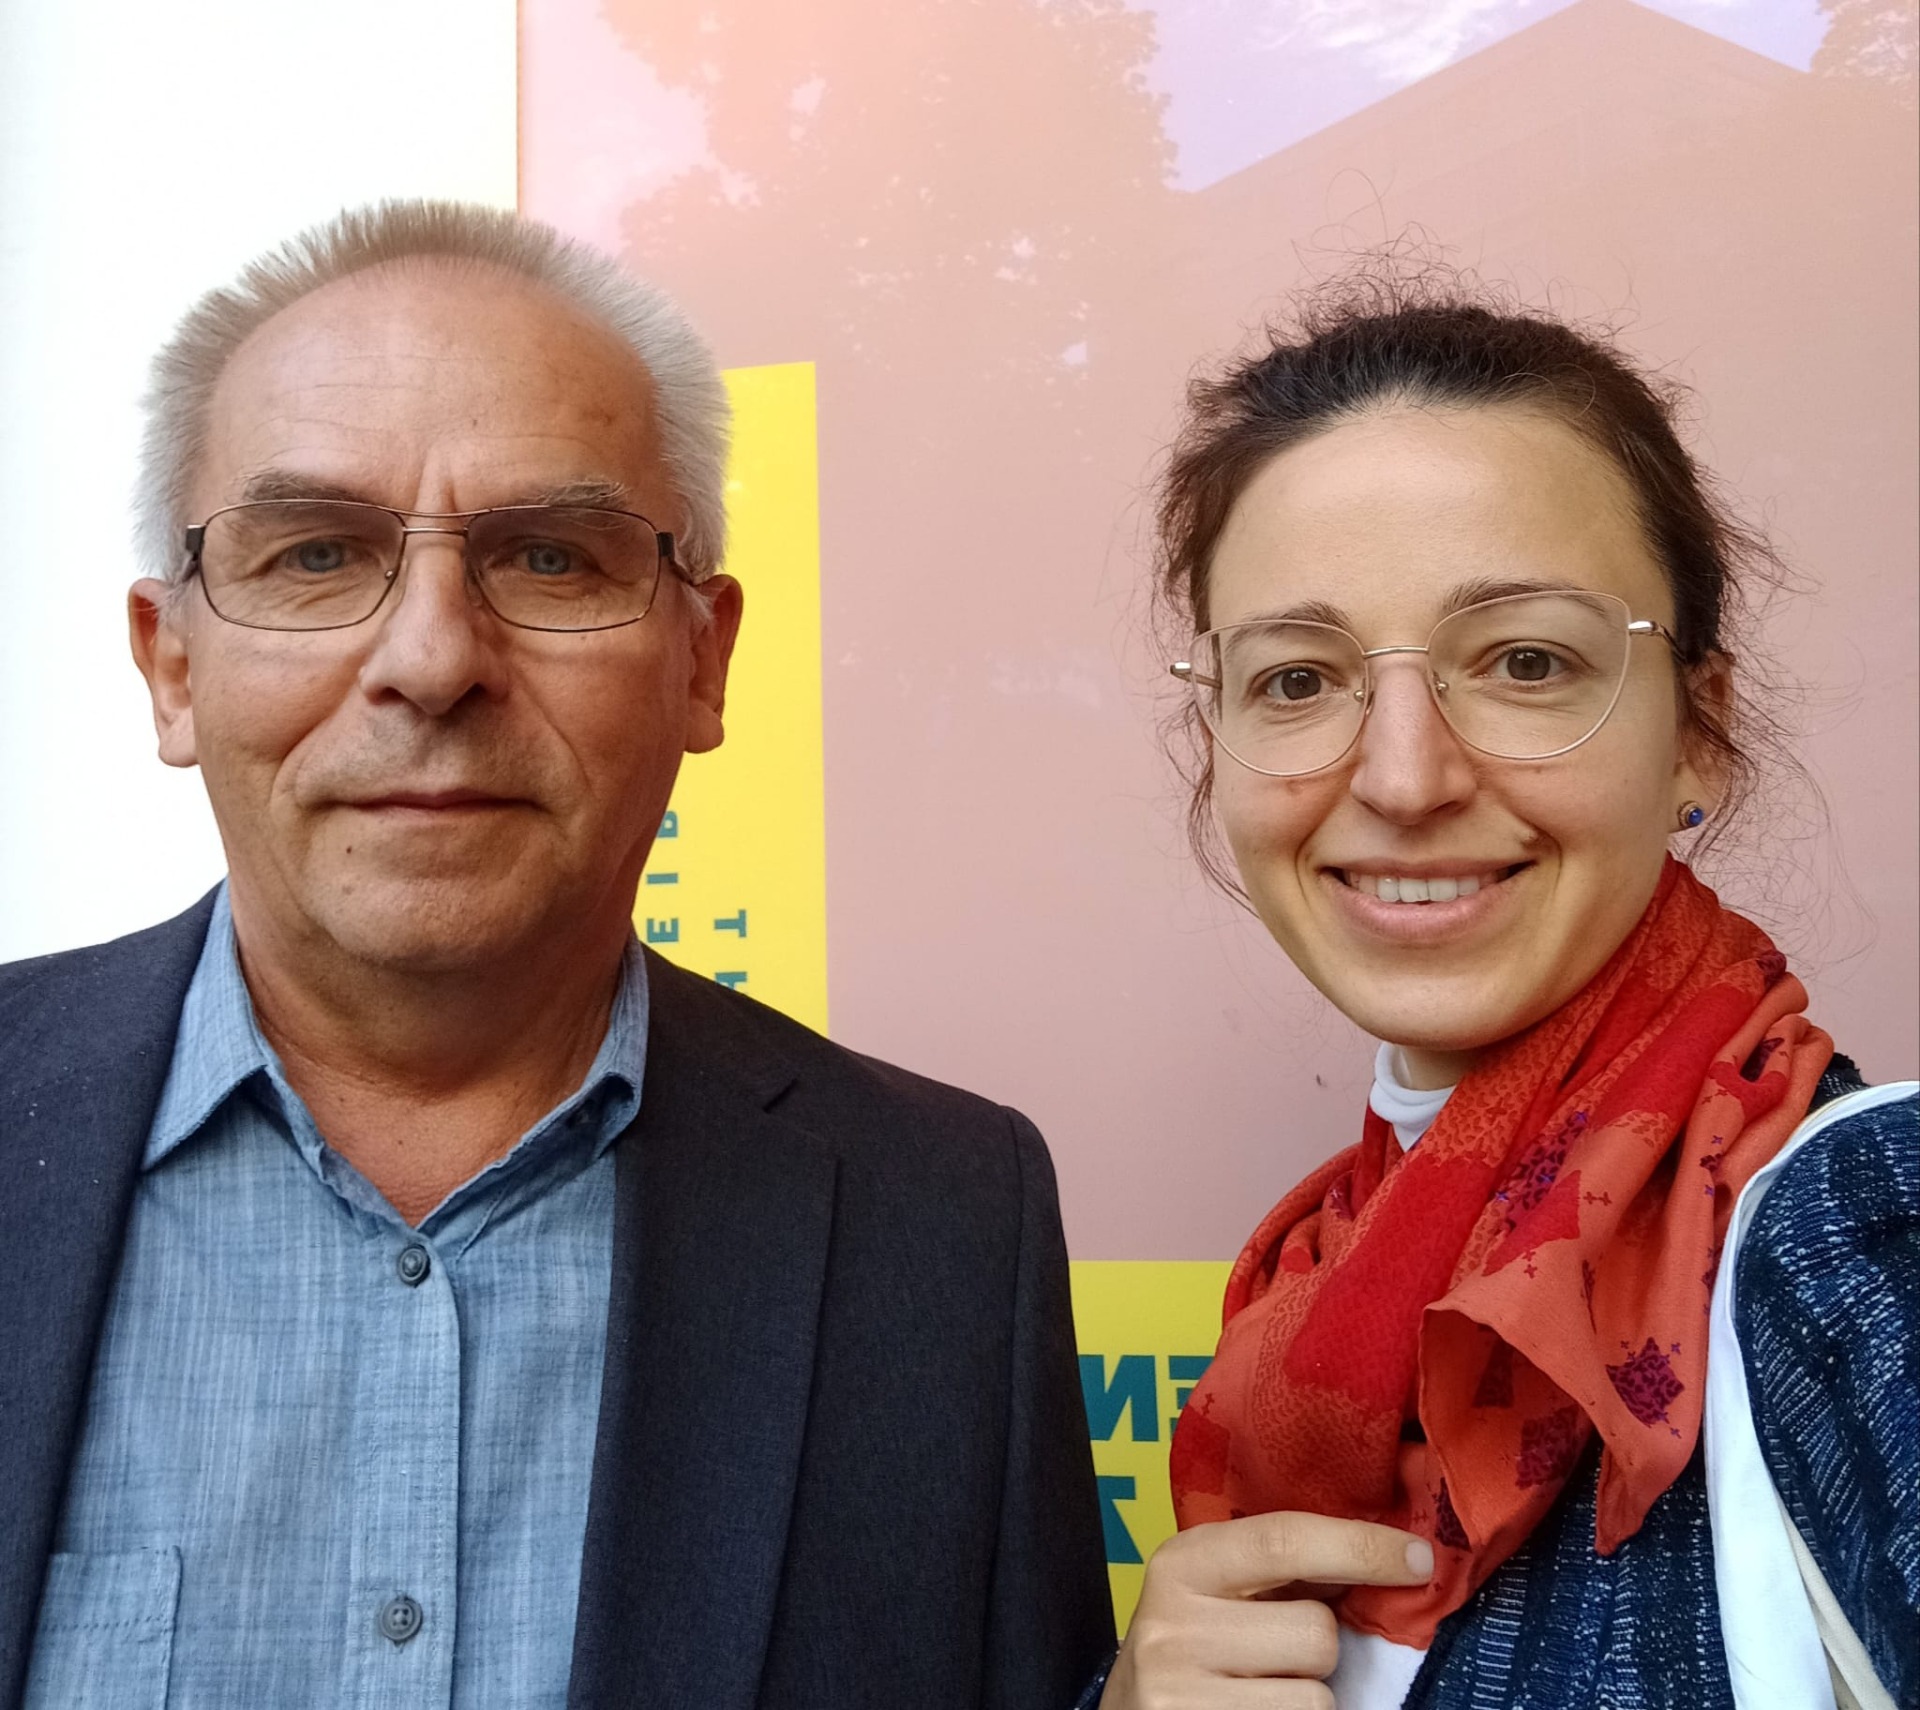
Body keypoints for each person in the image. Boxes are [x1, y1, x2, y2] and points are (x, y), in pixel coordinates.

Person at [0, 200, 1113, 1710]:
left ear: (704, 659)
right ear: (172, 665)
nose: (432, 660)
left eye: (547, 558)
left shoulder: (947, 1227)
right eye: (317, 553)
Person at [1091, 282, 1917, 1709]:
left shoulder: (1861, 1233)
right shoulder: (1313, 1281)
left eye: (1526, 662)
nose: (1404, 777)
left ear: (1698, 733)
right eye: (1298, 678)